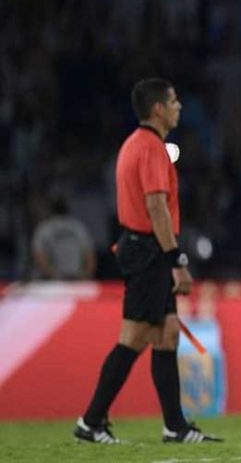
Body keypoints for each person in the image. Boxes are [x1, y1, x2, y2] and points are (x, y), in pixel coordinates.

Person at [74, 78, 220, 444]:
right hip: (149, 251)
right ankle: (90, 421)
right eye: (173, 101)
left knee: (168, 332)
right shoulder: (152, 148)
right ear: (158, 108)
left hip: (142, 247)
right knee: (135, 335)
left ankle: (175, 426)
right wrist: (176, 259)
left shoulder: (133, 144)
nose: (179, 107)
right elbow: (156, 205)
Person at [32, 196, 96, 280]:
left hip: (56, 279)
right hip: (76, 277)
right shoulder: (78, 227)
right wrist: (85, 276)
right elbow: (89, 255)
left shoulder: (44, 228)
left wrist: (53, 275)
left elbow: (39, 256)